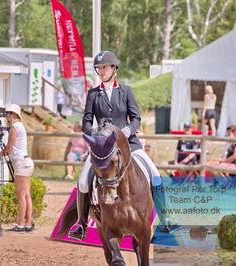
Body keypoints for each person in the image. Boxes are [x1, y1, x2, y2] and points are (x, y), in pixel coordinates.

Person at [68, 50, 167, 241]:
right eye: (98, 68)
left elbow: (136, 118)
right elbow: (87, 121)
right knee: (82, 182)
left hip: (129, 144)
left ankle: (166, 219)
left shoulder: (126, 91)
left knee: (155, 174)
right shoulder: (93, 94)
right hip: (102, 146)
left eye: (104, 67)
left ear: (114, 68)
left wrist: (128, 131)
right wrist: (94, 136)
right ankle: (81, 225)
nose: (101, 70)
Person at [0, 104, 35, 232]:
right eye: (7, 113)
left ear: (15, 115)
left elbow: (8, 149)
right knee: (26, 195)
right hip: (26, 162)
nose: (7, 115)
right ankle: (28, 224)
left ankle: (20, 224)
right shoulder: (19, 126)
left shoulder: (15, 127)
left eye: (10, 113)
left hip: (21, 162)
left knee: (21, 195)